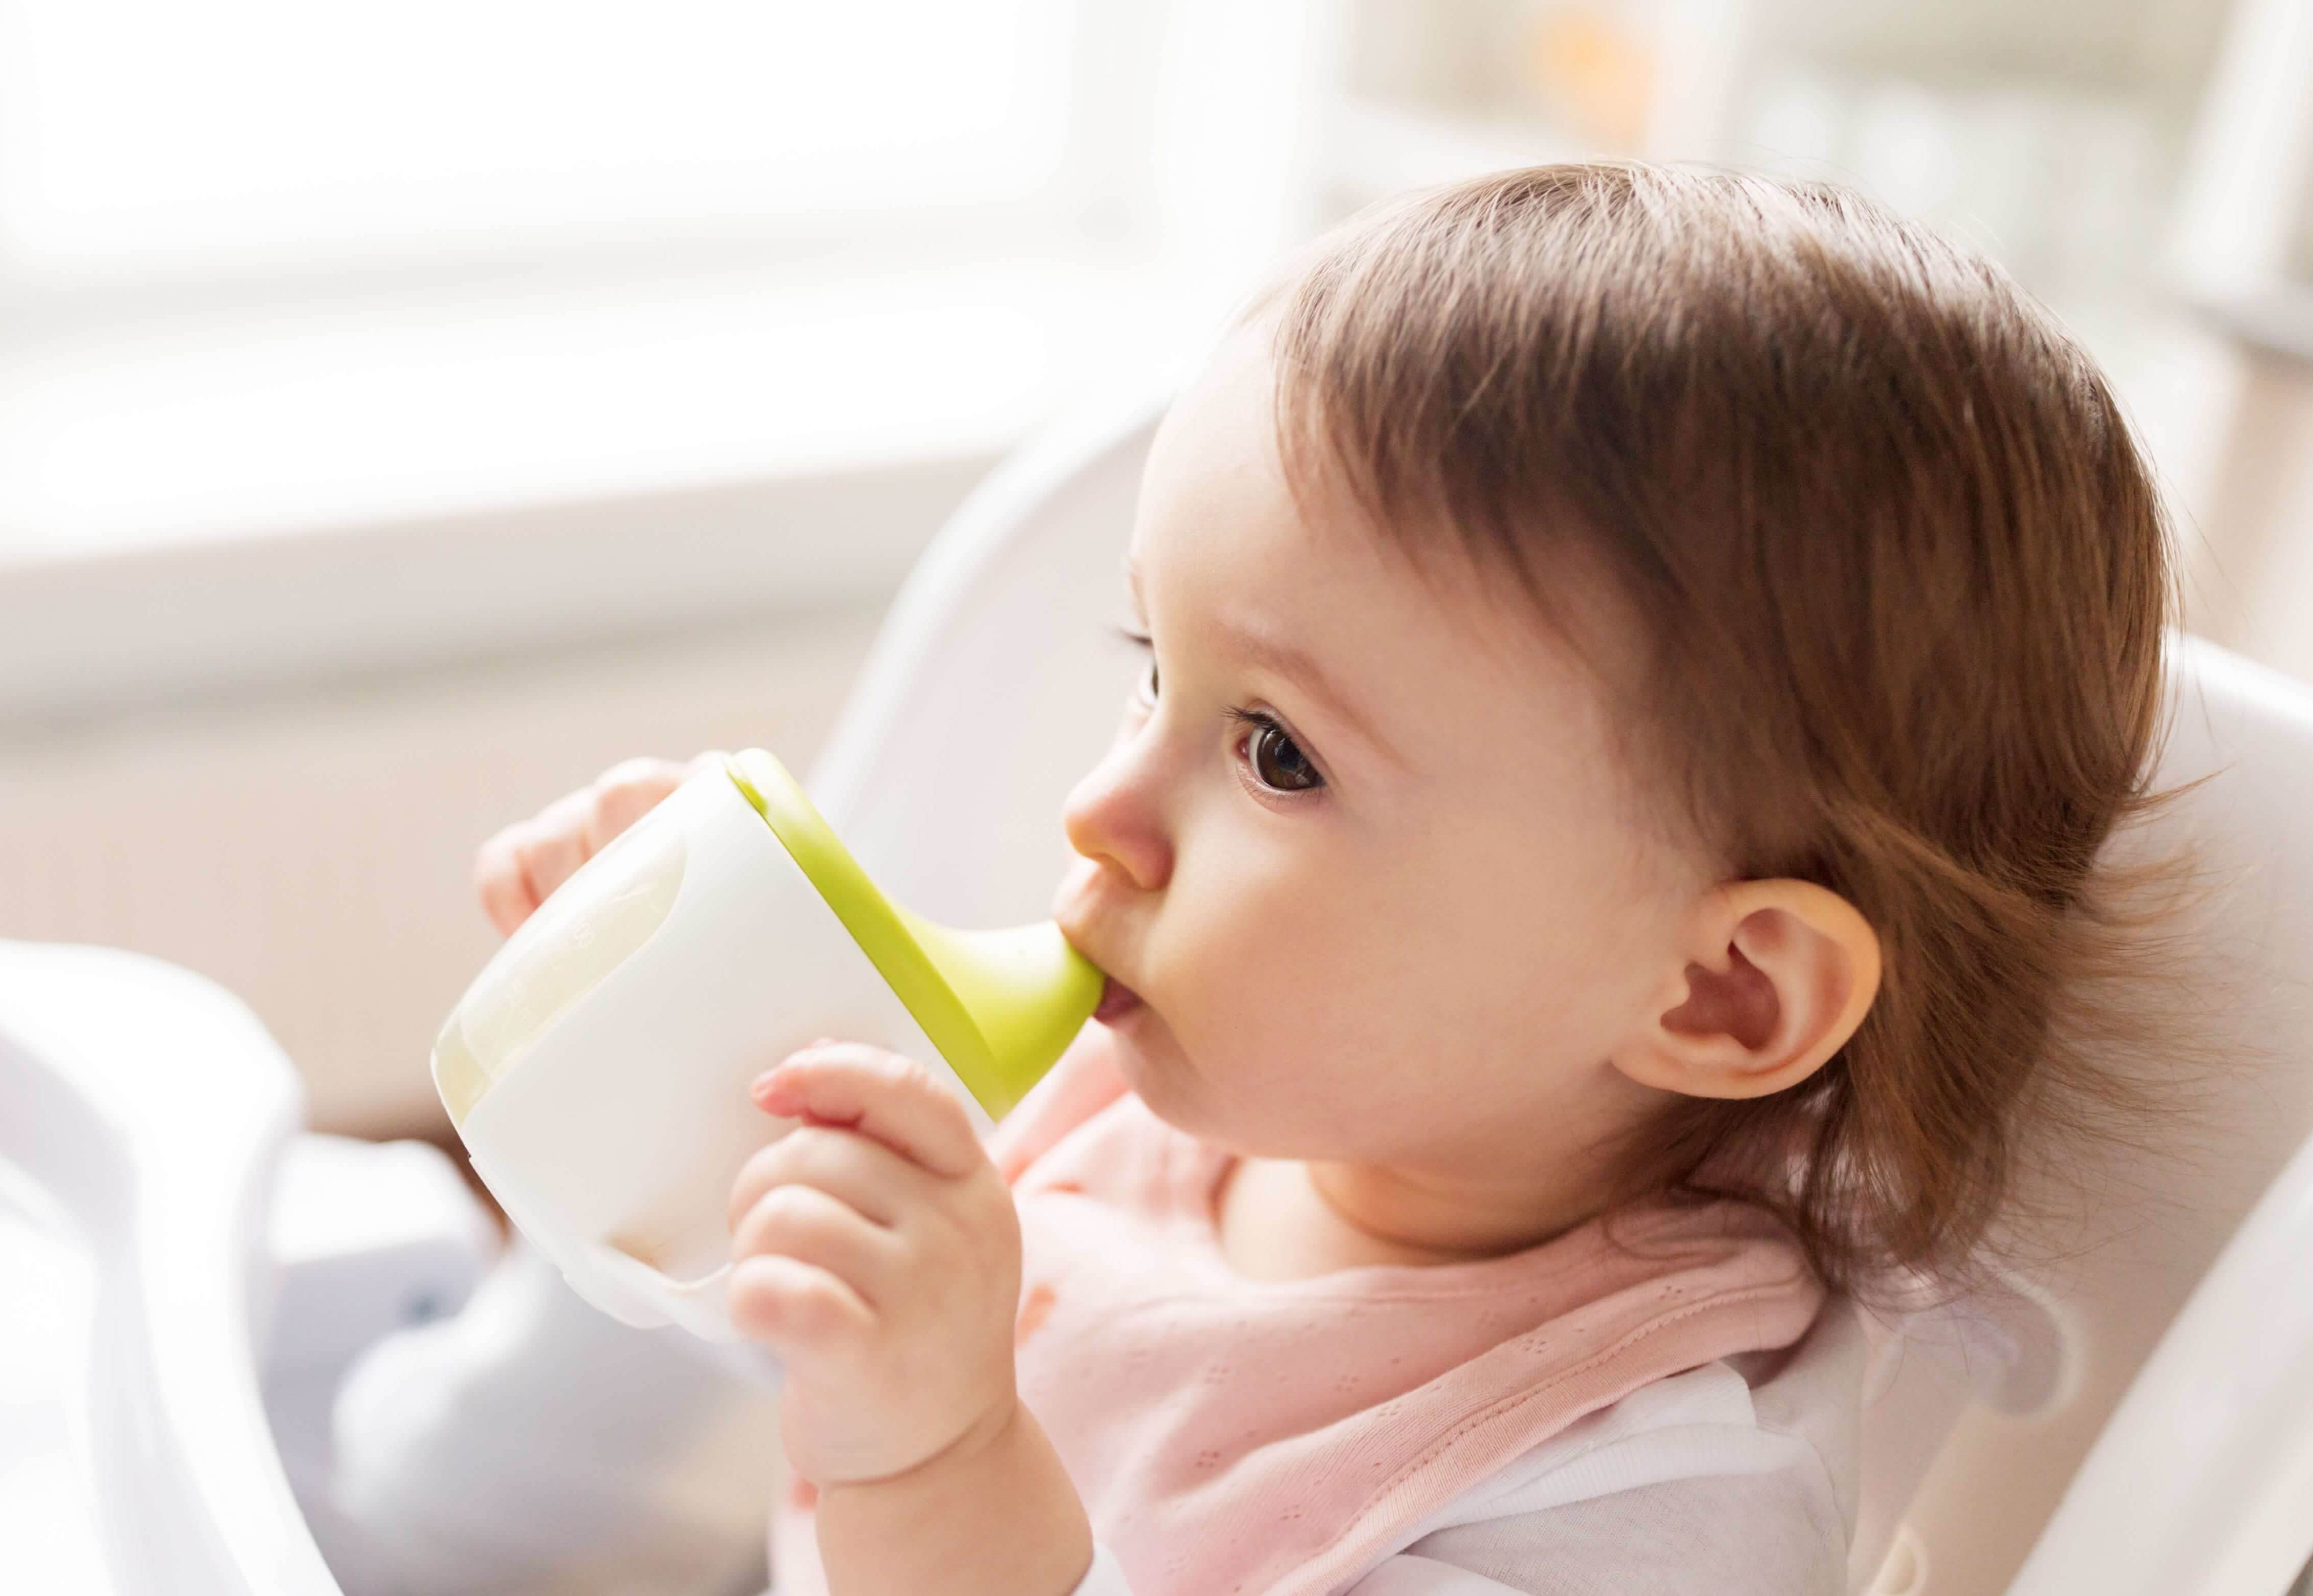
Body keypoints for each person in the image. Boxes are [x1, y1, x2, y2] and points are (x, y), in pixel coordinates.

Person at [472, 163, 2181, 1595]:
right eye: (1154, 667)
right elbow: (709, 1350)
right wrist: (691, 1071)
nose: (1097, 810)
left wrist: (942, 1465)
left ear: (1716, 992)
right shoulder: (1194, 1077)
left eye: (1278, 754)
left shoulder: (1629, 1502)